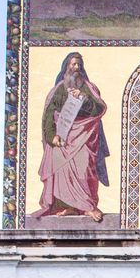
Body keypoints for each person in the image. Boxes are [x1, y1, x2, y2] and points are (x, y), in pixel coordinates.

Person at [34, 52, 110, 222]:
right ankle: (68, 207)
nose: (76, 68)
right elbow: (48, 115)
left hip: (84, 135)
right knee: (60, 167)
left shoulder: (89, 88)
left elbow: (98, 108)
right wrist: (51, 136)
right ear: (66, 66)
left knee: (85, 168)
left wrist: (83, 98)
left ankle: (87, 206)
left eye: (78, 65)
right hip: (62, 137)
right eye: (73, 64)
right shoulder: (58, 89)